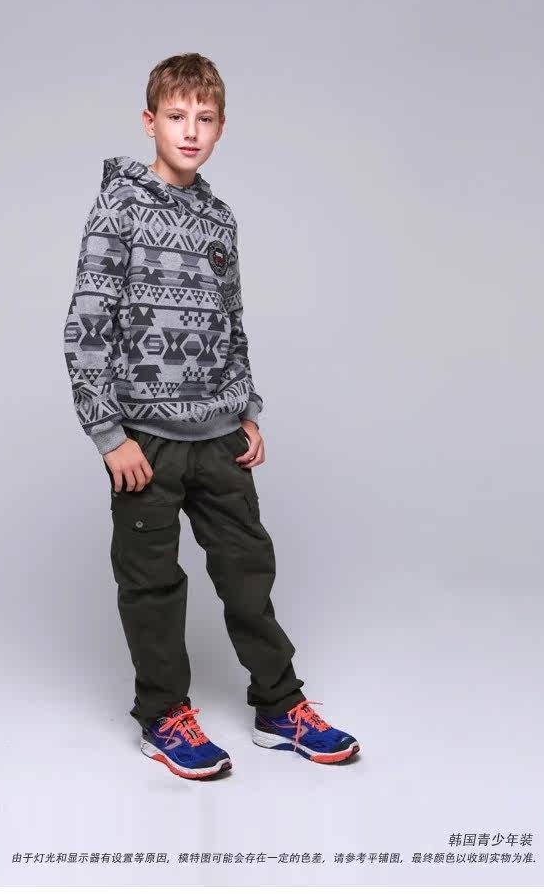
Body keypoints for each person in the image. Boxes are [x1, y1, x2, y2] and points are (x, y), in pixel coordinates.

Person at [63, 53, 360, 779]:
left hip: (220, 436)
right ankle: (164, 716)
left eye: (204, 119)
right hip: (145, 445)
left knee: (248, 572)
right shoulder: (119, 207)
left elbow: (232, 322)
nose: (189, 131)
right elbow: (87, 324)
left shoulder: (219, 219)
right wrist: (108, 435)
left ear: (221, 128)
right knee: (153, 586)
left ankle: (279, 708)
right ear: (149, 122)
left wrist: (247, 408)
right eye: (176, 116)